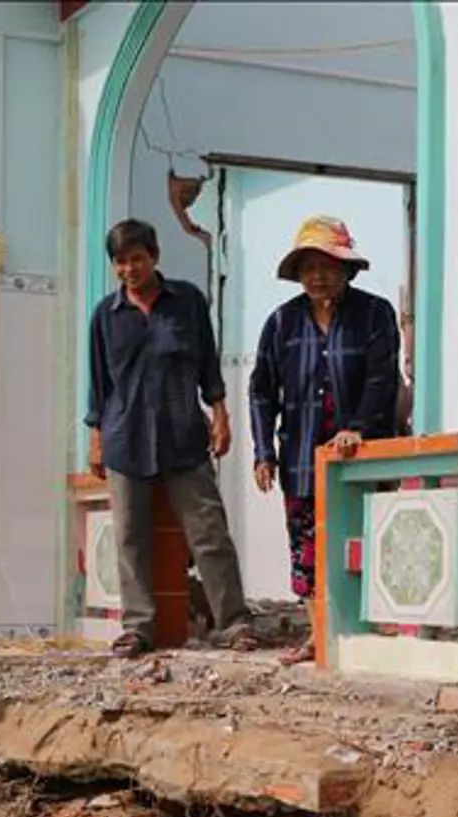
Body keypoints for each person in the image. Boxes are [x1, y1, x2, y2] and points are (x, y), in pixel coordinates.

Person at [86, 219, 258, 659]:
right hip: (126, 439)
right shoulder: (105, 317)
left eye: (137, 259)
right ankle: (138, 627)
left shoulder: (187, 303)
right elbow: (100, 384)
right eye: (121, 262)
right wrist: (96, 438)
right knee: (130, 538)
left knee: (209, 532)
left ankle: (234, 622)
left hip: (183, 434)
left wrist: (220, 415)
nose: (130, 269)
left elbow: (208, 367)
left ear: (155, 256)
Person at [249, 215, 402, 665]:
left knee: (361, 540)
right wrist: (263, 452)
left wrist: (358, 426)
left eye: (327, 265)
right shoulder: (280, 324)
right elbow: (261, 390)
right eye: (308, 267)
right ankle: (318, 638)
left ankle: (364, 635)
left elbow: (382, 379)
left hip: (360, 457)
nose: (317, 275)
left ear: (347, 269)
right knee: (306, 548)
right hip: (299, 456)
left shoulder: (375, 314)